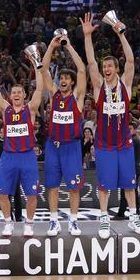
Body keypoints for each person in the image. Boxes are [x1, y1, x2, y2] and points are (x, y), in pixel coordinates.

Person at [82, 12, 140, 238]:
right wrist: (87, 36)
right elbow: (90, 62)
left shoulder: (125, 85)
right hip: (104, 144)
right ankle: (103, 219)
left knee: (129, 184)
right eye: (104, 66)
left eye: (110, 65)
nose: (106, 68)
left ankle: (134, 219)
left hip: (124, 145)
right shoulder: (100, 87)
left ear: (116, 69)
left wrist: (121, 34)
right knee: (104, 185)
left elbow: (130, 60)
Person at [0, 50, 43, 237]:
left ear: (24, 95)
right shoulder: (6, 110)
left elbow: (39, 89)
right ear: (10, 96)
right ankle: (8, 222)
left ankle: (29, 223)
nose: (17, 94)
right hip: (9, 156)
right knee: (3, 193)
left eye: (20, 92)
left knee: (32, 194)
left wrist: (37, 65)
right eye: (14, 92)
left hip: (27, 156)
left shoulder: (31, 109)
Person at [40, 33, 87, 237]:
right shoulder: (53, 94)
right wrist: (51, 46)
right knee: (52, 185)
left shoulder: (77, 97)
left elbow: (83, 70)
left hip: (72, 147)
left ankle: (73, 222)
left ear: (72, 81)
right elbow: (43, 69)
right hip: (53, 145)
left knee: (74, 187)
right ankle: (54, 221)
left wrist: (67, 47)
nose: (63, 80)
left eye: (67, 78)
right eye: (62, 77)